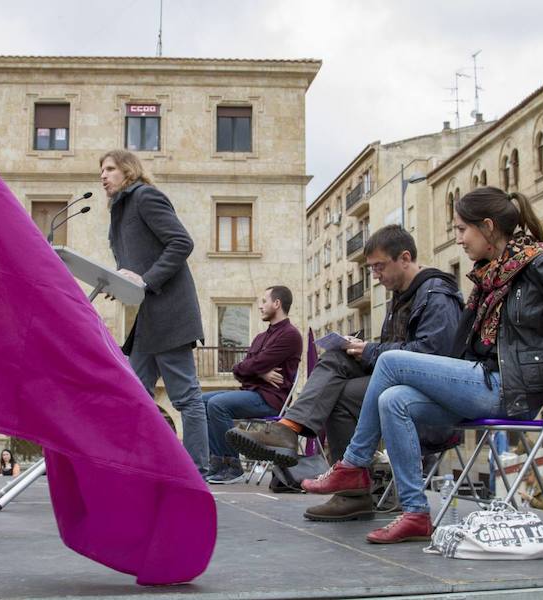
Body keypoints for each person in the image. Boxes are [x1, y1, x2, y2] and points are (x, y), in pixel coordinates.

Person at [303, 186, 543, 544]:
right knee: (393, 400)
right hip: (481, 382)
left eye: (462, 230)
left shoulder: (537, 267)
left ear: (488, 227)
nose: (459, 240)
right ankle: (415, 513)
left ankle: (353, 466)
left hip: (511, 390)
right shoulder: (488, 276)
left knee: (388, 361)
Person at [226, 225, 462, 521]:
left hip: (430, 395)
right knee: (337, 358)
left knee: (341, 393)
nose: (375, 275)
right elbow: (399, 351)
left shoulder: (436, 294)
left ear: (404, 258)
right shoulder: (401, 296)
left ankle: (340, 481)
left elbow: (434, 358)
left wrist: (372, 351)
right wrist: (359, 349)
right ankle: (294, 434)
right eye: (371, 268)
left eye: (379, 266)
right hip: (399, 383)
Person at [101, 149, 209, 474]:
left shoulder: (145, 197)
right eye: (101, 171)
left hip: (170, 312)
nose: (103, 176)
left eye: (109, 169)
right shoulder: (120, 210)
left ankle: (196, 472)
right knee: (134, 393)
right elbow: (135, 265)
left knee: (186, 398)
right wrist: (119, 282)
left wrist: (146, 282)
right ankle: (141, 464)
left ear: (128, 171)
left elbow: (181, 242)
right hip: (147, 319)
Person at [203, 286, 302, 484]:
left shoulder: (290, 335)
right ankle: (216, 462)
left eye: (264, 301)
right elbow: (239, 370)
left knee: (217, 404)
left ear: (277, 303)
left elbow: (250, 366)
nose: (260, 306)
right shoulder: (260, 337)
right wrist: (261, 372)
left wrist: (253, 369)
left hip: (270, 399)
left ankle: (231, 466)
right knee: (200, 400)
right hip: (252, 392)